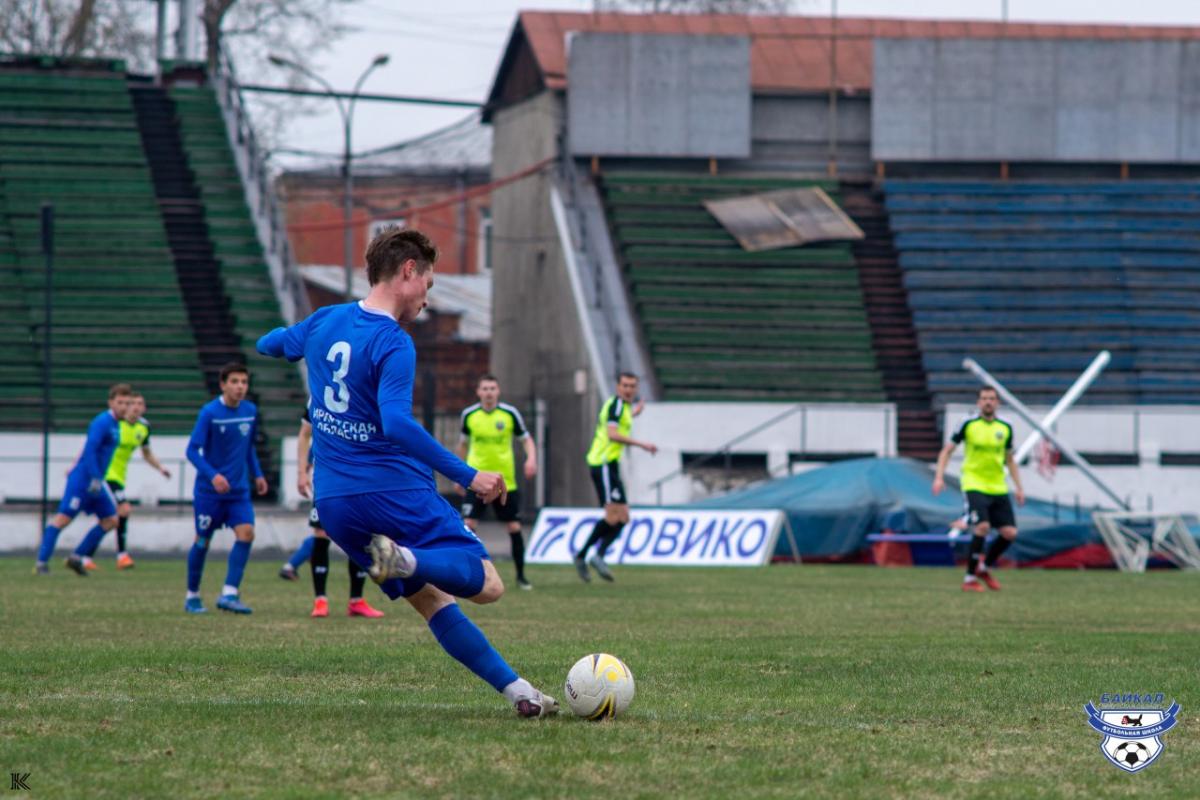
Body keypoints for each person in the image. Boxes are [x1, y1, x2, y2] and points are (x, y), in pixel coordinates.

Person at [256, 226, 558, 718]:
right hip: (390, 489)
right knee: (487, 584)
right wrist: (468, 475)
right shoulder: (393, 341)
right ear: (407, 271)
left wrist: (292, 341)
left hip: (334, 507)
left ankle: (518, 693)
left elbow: (268, 344)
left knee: (431, 601)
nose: (427, 300)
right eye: (428, 286)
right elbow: (396, 423)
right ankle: (410, 559)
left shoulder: (324, 320)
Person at [183, 363, 269, 614]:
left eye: (244, 382)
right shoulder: (209, 412)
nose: (240, 387)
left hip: (239, 492)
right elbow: (191, 450)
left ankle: (229, 594)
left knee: (247, 534)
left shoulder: (250, 411)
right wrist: (213, 476)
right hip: (209, 494)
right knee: (202, 542)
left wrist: (258, 474)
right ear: (223, 384)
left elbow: (249, 447)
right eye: (235, 382)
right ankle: (192, 596)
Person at [291, 407, 384, 618]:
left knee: (361, 534)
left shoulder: (362, 393)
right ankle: (320, 600)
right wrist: (301, 472)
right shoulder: (319, 393)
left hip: (359, 478)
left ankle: (356, 601)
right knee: (321, 535)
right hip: (327, 479)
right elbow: (305, 433)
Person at [932, 385, 1026, 592]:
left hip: (998, 486)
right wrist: (939, 477)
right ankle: (969, 579)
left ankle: (983, 567)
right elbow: (947, 451)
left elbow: (1010, 459)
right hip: (974, 483)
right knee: (982, 527)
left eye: (991, 399)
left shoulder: (1006, 427)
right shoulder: (968, 424)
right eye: (984, 399)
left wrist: (1019, 487)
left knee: (1010, 533)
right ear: (978, 402)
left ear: (997, 402)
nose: (988, 402)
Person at [34, 384, 132, 575]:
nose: (124, 406)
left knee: (111, 520)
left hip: (96, 481)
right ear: (111, 402)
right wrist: (95, 478)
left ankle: (76, 557)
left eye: (127, 403)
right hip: (83, 480)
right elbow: (90, 450)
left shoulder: (116, 425)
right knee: (63, 519)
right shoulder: (102, 422)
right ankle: (41, 562)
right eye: (120, 402)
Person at [573, 372, 656, 583]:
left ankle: (593, 556)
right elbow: (612, 434)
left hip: (610, 466)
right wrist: (642, 444)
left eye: (632, 386)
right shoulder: (617, 405)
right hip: (602, 464)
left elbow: (619, 421)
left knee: (623, 517)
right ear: (618, 387)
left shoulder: (624, 408)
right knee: (613, 516)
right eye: (625, 385)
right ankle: (587, 556)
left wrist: (635, 412)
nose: (628, 389)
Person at [457, 375, 537, 590]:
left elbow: (526, 439)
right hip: (476, 482)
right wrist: (459, 474)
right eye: (485, 388)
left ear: (498, 391)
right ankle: (467, 573)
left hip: (505, 484)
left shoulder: (509, 414)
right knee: (469, 526)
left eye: (492, 388)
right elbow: (463, 446)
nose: (489, 392)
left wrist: (531, 458)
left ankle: (521, 576)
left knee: (513, 527)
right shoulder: (470, 415)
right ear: (478, 392)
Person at [77, 392, 172, 570]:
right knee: (123, 509)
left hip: (119, 478)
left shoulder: (144, 427)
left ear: (144, 408)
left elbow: (147, 453)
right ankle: (121, 556)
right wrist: (78, 464)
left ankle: (84, 556)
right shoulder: (115, 424)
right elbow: (92, 445)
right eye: (132, 403)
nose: (135, 407)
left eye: (140, 404)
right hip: (105, 475)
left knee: (111, 517)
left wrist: (161, 468)